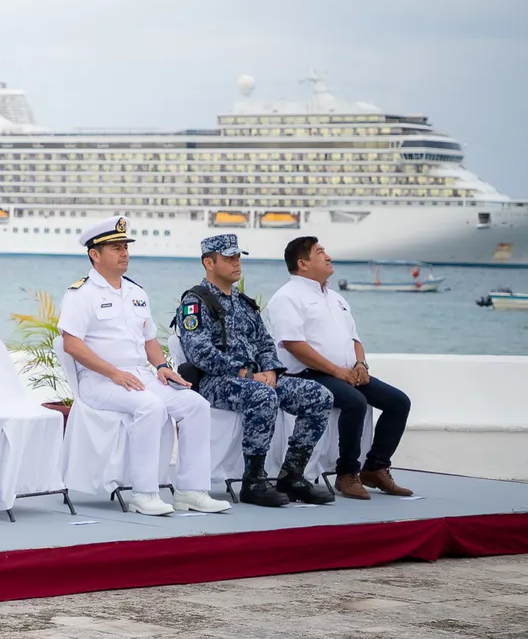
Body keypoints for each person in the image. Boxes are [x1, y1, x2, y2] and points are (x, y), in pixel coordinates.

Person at [58, 216, 231, 516]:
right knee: (150, 407)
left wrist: (163, 366)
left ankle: (191, 490)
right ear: (94, 255)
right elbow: (72, 344)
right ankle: (144, 493)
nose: (124, 252)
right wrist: (113, 373)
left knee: (195, 405)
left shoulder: (137, 293)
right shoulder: (80, 294)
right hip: (100, 380)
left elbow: (149, 339)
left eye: (125, 246)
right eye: (116, 247)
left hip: (140, 376)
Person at [174, 234, 335, 507]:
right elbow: (199, 353)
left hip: (257, 379)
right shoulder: (195, 302)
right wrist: (246, 375)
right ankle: (254, 480)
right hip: (217, 382)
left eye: (238, 257)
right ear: (208, 263)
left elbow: (264, 342)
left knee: (319, 396)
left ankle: (292, 474)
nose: (237, 263)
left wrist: (271, 369)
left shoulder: (244, 303)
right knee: (262, 396)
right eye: (229, 258)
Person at [268, 237, 413, 500]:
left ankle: (376, 467)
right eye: (320, 252)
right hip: (307, 374)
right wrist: (336, 371)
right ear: (302, 264)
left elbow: (355, 339)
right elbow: (292, 344)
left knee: (399, 402)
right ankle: (347, 474)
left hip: (347, 372)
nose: (327, 255)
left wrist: (360, 364)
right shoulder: (286, 297)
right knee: (355, 402)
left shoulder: (336, 298)